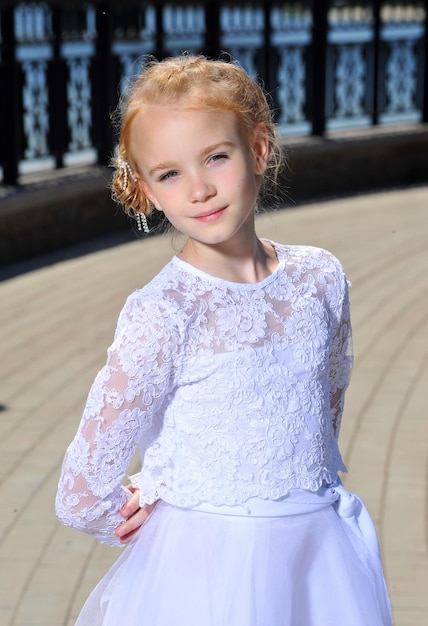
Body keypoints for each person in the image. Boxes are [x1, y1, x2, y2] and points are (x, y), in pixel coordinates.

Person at [55, 54, 392, 625]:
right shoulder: (163, 313)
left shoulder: (319, 279)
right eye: (169, 173)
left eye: (216, 156)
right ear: (146, 190)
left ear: (258, 150)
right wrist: (150, 506)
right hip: (206, 569)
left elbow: (320, 416)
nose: (200, 189)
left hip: (318, 555)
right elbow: (80, 493)